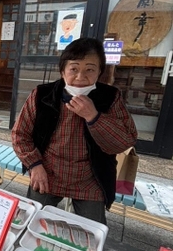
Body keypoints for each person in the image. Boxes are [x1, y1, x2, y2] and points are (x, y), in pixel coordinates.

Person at [12, 37, 137, 224]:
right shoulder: (42, 94)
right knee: (31, 223)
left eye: (89, 70)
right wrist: (34, 165)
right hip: (48, 171)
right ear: (63, 71)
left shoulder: (110, 97)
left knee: (92, 233)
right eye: (74, 69)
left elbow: (126, 140)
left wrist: (93, 116)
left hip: (90, 178)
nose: (80, 77)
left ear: (99, 73)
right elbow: (19, 134)